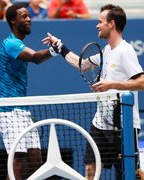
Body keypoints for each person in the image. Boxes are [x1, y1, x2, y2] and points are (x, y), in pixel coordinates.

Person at [44, 4, 144, 179]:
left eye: (100, 22)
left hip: (123, 125)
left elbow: (142, 82)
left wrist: (110, 85)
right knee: (91, 168)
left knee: (130, 173)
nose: (97, 25)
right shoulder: (106, 50)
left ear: (111, 23)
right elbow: (81, 64)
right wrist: (60, 46)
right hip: (100, 123)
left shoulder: (125, 51)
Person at [0, 4, 61, 179]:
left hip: (21, 109)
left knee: (35, 159)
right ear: (13, 20)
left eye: (29, 15)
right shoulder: (11, 44)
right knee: (19, 158)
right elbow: (35, 58)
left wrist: (1, 95)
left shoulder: (15, 45)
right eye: (24, 16)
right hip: (8, 111)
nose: (29, 19)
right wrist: (55, 50)